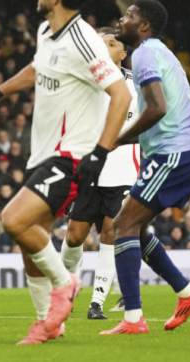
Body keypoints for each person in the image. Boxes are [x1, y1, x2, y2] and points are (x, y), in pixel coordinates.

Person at [0, 0, 131, 344]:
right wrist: (1, 92)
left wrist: (100, 151)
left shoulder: (85, 40)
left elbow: (121, 94)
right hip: (42, 154)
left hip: (72, 155)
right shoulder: (47, 31)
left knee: (13, 220)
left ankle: (65, 283)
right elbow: (38, 67)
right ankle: (49, 324)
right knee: (31, 243)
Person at [100, 0, 190, 335]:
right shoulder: (158, 51)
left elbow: (158, 109)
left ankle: (133, 318)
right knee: (136, 226)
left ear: (144, 26)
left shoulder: (145, 52)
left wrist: (117, 139)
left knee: (123, 224)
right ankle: (187, 291)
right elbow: (168, 111)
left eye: (130, 15)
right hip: (185, 151)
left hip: (175, 153)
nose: (123, 18)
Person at [62, 27, 140, 320]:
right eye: (99, 43)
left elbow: (153, 120)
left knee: (110, 233)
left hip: (123, 173)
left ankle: (96, 303)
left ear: (123, 53)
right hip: (90, 172)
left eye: (111, 43)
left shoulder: (138, 86)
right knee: (74, 237)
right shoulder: (84, 82)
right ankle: (66, 286)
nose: (103, 47)